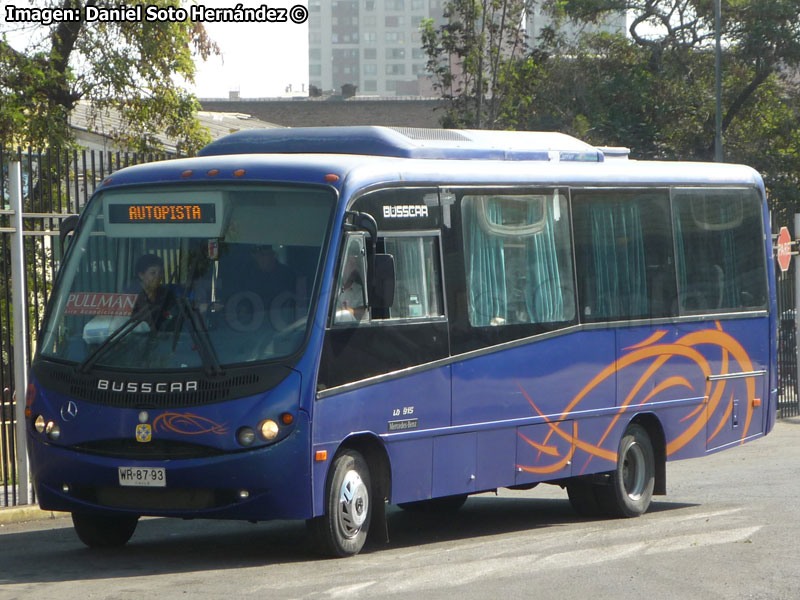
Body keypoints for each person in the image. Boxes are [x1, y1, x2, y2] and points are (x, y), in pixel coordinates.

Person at [131, 253, 176, 330]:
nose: (158, 277)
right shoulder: (130, 296)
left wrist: (167, 315)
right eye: (153, 273)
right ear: (141, 275)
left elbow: (170, 314)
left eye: (160, 272)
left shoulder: (166, 293)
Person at [335, 241, 367, 322]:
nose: (353, 267)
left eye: (355, 264)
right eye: (349, 263)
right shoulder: (330, 286)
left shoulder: (360, 291)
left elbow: (365, 311)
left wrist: (351, 311)